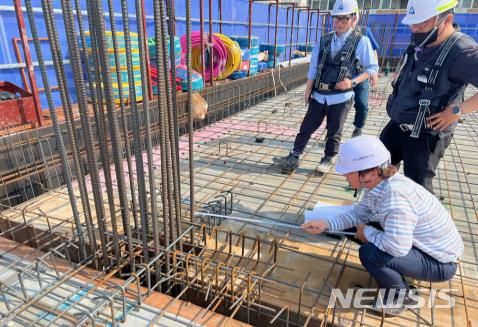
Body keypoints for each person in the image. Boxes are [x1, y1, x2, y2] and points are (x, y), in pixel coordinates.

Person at [301, 135, 464, 316]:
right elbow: (358, 214)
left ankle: (400, 296)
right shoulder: (380, 185)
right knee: (356, 227)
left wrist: (367, 232)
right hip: (426, 249)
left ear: (369, 173)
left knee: (370, 253)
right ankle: (396, 275)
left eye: (348, 171)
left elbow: (397, 247)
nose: (344, 175)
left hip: (441, 263)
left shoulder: (395, 197)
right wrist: (325, 224)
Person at [380, 0, 478, 193]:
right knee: (377, 167)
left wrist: (457, 110)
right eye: (412, 23)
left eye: (421, 23)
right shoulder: (423, 38)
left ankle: (422, 221)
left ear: (447, 19)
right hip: (399, 123)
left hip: (426, 134)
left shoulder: (462, 51)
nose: (414, 29)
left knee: (417, 189)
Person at [272, 0, 379, 174]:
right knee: (306, 127)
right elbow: (313, 67)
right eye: (336, 19)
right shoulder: (324, 40)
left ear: (354, 19)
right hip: (319, 94)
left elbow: (372, 68)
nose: (338, 23)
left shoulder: (362, 42)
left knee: (334, 130)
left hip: (341, 97)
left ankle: (328, 157)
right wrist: (308, 90)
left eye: (344, 19)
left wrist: (352, 83)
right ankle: (294, 156)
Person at [351, 20, 380, 138]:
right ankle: (331, 130)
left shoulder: (364, 31)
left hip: (361, 75)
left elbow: (373, 51)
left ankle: (358, 128)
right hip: (342, 77)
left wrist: (375, 72)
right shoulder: (338, 32)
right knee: (336, 106)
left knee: (362, 104)